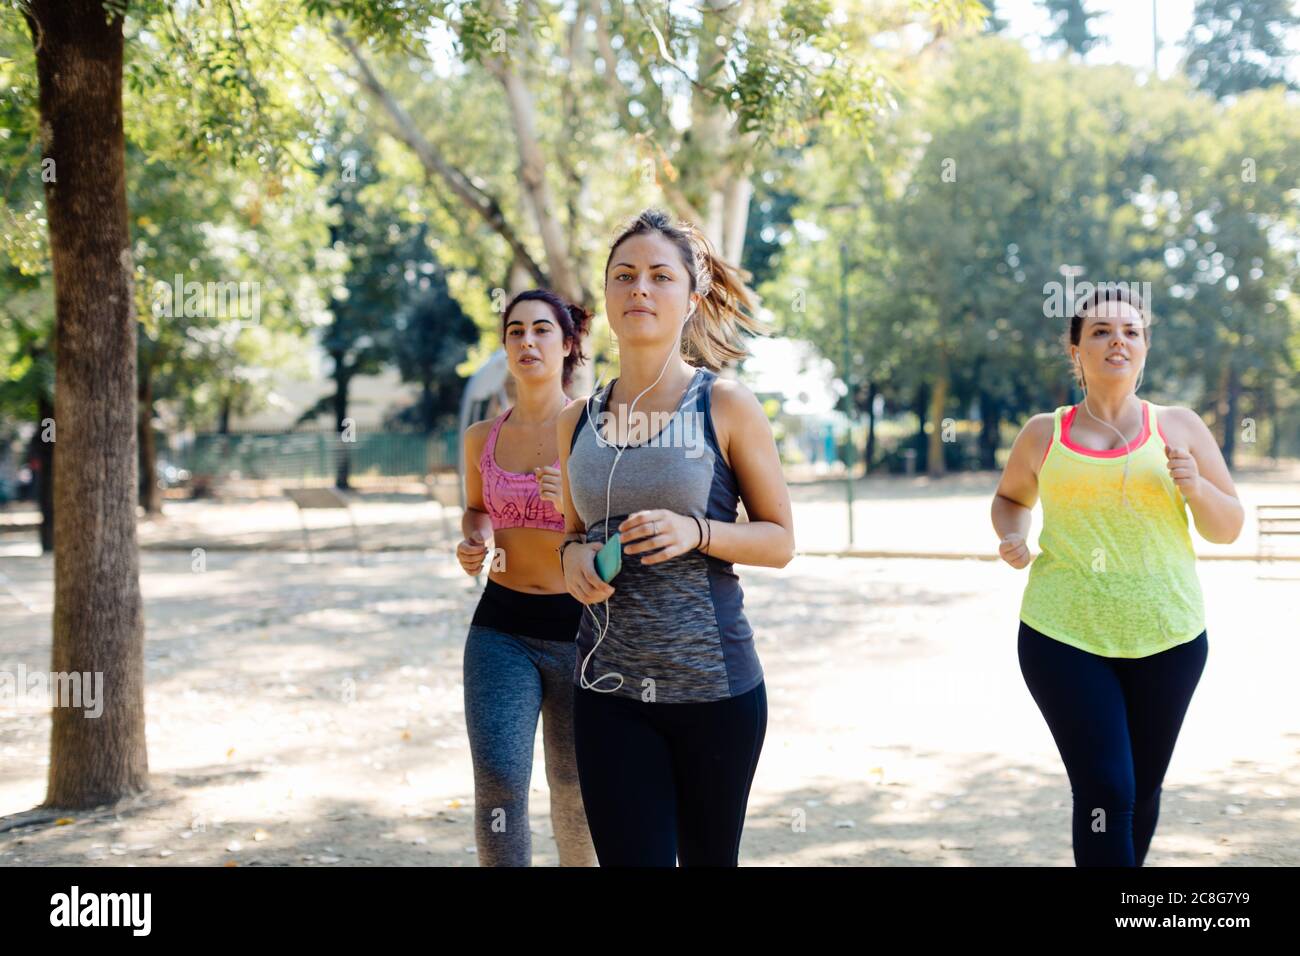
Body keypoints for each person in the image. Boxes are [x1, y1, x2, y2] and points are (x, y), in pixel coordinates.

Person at [555, 208, 795, 866]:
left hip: (714, 694)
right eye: (623, 276)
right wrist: (574, 559)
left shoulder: (725, 405)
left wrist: (697, 531)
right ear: (605, 295)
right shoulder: (575, 419)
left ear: (690, 299)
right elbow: (570, 538)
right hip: (606, 692)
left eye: (660, 277)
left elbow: (779, 541)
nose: (639, 289)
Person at [991, 287, 1244, 866]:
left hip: (1170, 637)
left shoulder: (1179, 427)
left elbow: (1227, 528)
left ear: (1145, 348)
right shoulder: (1044, 433)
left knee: (1141, 791)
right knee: (1107, 790)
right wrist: (1012, 534)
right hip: (1063, 636)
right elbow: (1009, 498)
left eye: (1131, 331)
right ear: (1075, 350)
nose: (1118, 341)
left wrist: (1196, 487)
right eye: (1101, 331)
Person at [455, 289, 596, 867]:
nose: (527, 341)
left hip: (583, 628)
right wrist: (475, 538)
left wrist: (569, 503)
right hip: (502, 626)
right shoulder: (480, 438)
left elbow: (615, 526)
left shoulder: (595, 425)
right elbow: (474, 507)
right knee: (498, 780)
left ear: (567, 346)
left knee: (575, 787)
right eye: (515, 331)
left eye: (542, 330)